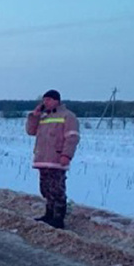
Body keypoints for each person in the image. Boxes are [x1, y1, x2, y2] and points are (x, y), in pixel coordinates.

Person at [25, 90, 80, 229]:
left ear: (57, 100)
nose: (45, 102)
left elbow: (72, 138)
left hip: (57, 159)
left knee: (57, 190)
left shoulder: (68, 116)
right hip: (43, 158)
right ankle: (48, 215)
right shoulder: (43, 116)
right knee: (46, 189)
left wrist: (66, 155)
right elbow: (31, 131)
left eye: (48, 100)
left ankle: (58, 218)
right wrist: (34, 116)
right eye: (44, 100)